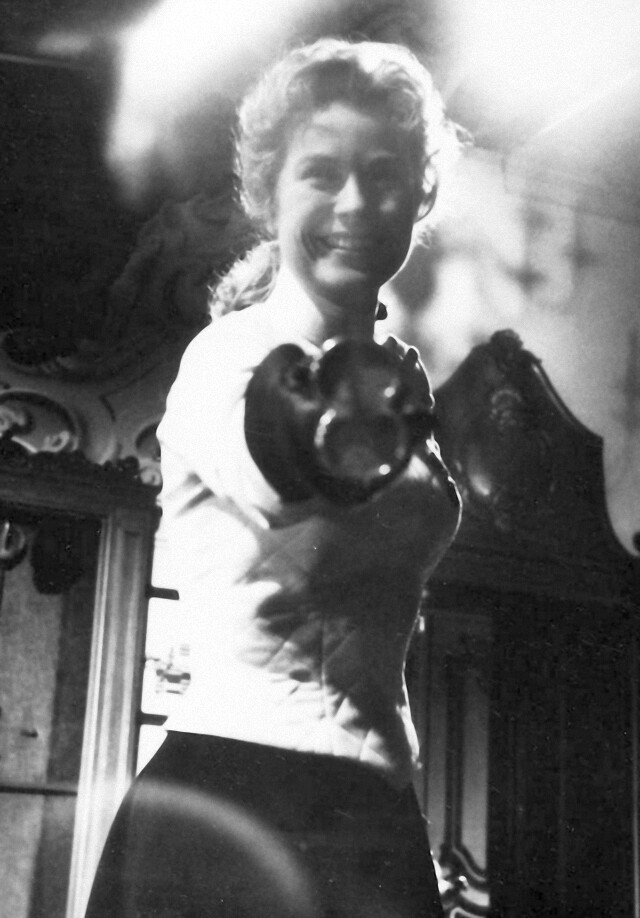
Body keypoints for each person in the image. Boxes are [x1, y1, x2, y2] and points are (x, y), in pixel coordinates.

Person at [85, 37, 462, 918]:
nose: (356, 202)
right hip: (235, 799)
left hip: (376, 810)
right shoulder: (229, 357)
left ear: (420, 196)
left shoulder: (403, 377)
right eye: (321, 173)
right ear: (270, 193)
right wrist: (344, 402)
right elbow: (276, 473)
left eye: (385, 174)